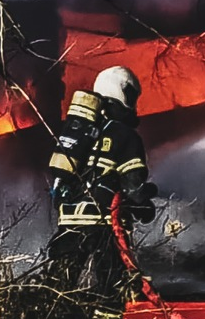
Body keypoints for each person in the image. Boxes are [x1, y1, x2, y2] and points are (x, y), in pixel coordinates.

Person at [45, 66, 156, 298]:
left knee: (56, 290)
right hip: (104, 226)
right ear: (121, 93)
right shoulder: (125, 136)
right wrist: (144, 206)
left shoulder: (79, 129)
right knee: (112, 291)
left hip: (69, 223)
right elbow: (133, 187)